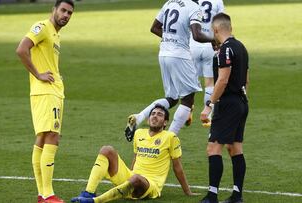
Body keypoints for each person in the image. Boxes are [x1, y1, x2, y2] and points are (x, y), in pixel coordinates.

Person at [125, 0, 214, 141]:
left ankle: (139, 117)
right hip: (179, 55)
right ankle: (168, 138)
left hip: (164, 54)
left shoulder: (169, 3)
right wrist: (214, 40)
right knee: (187, 100)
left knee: (172, 99)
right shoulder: (194, 7)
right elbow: (197, 35)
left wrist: (171, 39)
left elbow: (154, 28)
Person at [71, 105, 198, 203]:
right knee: (107, 150)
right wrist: (129, 177)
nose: (155, 116)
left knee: (136, 179)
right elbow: (136, 158)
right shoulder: (139, 133)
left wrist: (187, 192)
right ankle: (89, 193)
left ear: (165, 122)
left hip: (151, 185)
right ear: (148, 120)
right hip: (133, 177)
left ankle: (95, 201)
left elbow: (177, 166)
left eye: (160, 115)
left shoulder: (171, 137)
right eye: (153, 114)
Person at [15, 0, 74, 202]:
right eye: (63, 10)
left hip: (52, 90)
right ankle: (48, 194)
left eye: (69, 13)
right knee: (52, 137)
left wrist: (56, 74)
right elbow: (22, 49)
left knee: (42, 139)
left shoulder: (55, 34)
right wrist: (39, 74)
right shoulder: (42, 27)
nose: (66, 15)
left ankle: (42, 194)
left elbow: (47, 60)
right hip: (46, 92)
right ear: (54, 10)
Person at [199, 13, 249, 203]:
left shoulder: (225, 50)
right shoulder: (241, 47)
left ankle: (212, 195)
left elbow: (222, 80)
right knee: (235, 148)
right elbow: (247, 79)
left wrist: (209, 105)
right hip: (241, 102)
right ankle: (237, 195)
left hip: (227, 104)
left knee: (213, 148)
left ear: (216, 29)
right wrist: (242, 102)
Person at [189, 0, 224, 127]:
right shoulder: (217, 1)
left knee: (191, 80)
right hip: (210, 44)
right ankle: (207, 115)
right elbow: (221, 23)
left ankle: (188, 109)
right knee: (209, 82)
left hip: (193, 44)